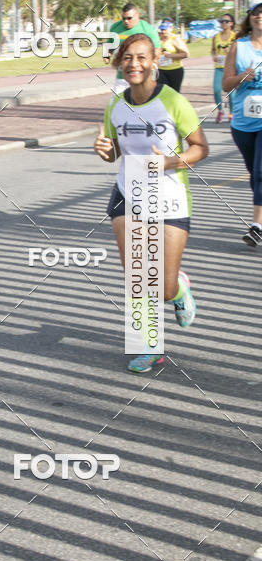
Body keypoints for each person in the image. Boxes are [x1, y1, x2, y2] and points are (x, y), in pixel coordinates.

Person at [94, 33, 209, 373]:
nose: (134, 64)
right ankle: (147, 346)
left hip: (170, 197)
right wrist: (104, 152)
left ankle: (179, 291)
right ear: (120, 62)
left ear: (154, 60)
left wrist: (171, 162)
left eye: (141, 57)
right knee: (137, 275)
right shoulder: (116, 104)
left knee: (163, 283)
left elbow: (200, 148)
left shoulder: (173, 102)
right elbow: (114, 151)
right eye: (128, 58)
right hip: (128, 194)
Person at [222, 0, 262, 246]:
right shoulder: (239, 46)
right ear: (249, 18)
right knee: (254, 174)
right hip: (243, 123)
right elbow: (225, 84)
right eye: (256, 13)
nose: (260, 16)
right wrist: (241, 77)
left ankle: (257, 226)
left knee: (260, 172)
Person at [104, 3, 162, 95]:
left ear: (137, 15)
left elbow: (157, 51)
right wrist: (106, 56)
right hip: (122, 76)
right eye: (124, 18)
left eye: (129, 18)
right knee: (116, 103)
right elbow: (109, 45)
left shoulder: (147, 29)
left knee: (141, 104)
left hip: (141, 76)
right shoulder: (115, 28)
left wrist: (149, 64)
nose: (126, 21)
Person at [211, 13, 236, 123]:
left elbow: (240, 51)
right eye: (222, 21)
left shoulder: (235, 36)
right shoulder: (216, 37)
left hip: (231, 68)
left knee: (231, 93)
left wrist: (230, 52)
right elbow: (212, 50)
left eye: (226, 21)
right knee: (216, 90)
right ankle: (220, 110)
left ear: (231, 23)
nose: (223, 23)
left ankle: (232, 113)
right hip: (219, 67)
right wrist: (214, 56)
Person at [157, 20, 189, 92]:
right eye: (162, 29)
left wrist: (170, 55)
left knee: (174, 93)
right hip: (161, 70)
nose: (163, 31)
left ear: (171, 28)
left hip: (175, 70)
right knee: (161, 92)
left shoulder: (175, 39)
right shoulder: (158, 39)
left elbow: (186, 54)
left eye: (165, 29)